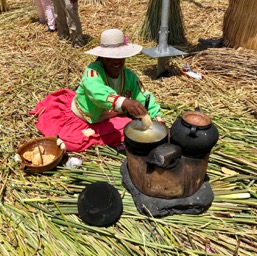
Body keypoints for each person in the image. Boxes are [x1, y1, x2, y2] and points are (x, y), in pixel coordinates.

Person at [71, 28, 162, 124]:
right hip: (90, 115)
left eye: (120, 57)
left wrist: (157, 118)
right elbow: (96, 92)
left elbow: (143, 95)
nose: (116, 61)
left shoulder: (129, 76)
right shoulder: (92, 72)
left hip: (112, 113)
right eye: (110, 57)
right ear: (102, 57)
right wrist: (124, 102)